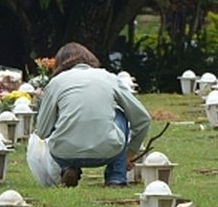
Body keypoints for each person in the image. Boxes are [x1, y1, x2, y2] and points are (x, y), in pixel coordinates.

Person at [34, 43, 151, 187]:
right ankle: (116, 176)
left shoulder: (56, 83)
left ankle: (67, 168)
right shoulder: (109, 78)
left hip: (64, 153)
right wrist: (130, 152)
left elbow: (42, 131)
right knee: (120, 113)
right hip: (108, 151)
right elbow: (142, 118)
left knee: (59, 115)